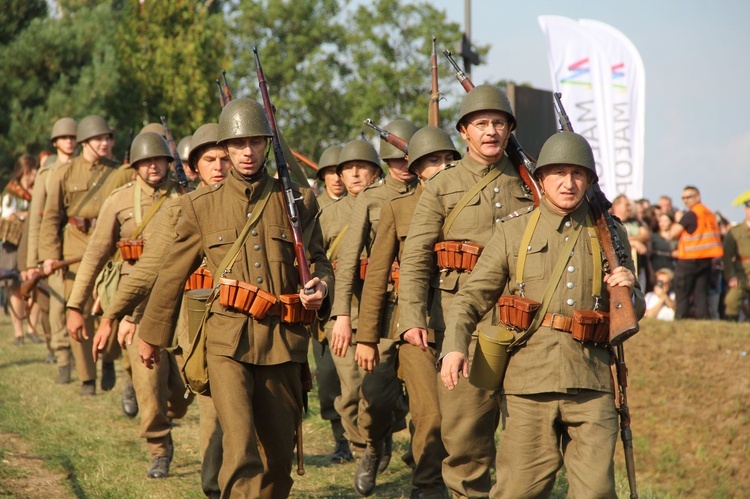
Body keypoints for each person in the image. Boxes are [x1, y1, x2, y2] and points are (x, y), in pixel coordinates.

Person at [138, 98, 333, 497]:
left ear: (266, 144)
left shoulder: (297, 200)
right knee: (242, 451)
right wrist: (150, 335)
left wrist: (322, 288)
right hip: (227, 342)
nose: (247, 152)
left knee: (278, 458)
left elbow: (318, 261)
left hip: (283, 341)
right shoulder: (199, 206)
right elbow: (172, 274)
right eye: (238, 143)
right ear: (225, 148)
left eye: (255, 142)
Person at [440, 131, 645, 497]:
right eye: (558, 173)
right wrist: (454, 346)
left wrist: (628, 287)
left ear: (590, 181)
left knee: (596, 491)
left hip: (593, 383)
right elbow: (470, 298)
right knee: (519, 490)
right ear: (541, 178)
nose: (568, 183)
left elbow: (634, 310)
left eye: (578, 174)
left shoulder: (611, 234)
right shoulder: (512, 233)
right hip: (529, 382)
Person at [397, 85, 535, 498]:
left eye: (498, 123)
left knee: (525, 438)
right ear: (464, 133)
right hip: (463, 324)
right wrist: (411, 317)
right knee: (464, 437)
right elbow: (417, 256)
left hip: (525, 322)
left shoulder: (533, 182)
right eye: (481, 124)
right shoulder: (442, 185)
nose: (490, 131)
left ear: (510, 129)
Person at [94, 122, 229, 492]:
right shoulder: (180, 209)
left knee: (196, 401)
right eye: (210, 159)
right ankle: (161, 449)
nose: (219, 167)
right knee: (159, 386)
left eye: (224, 158)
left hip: (240, 323)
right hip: (180, 316)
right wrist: (113, 314)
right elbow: (148, 274)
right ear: (194, 165)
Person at [65, 131, 191, 478]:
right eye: (146, 161)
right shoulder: (118, 201)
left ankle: (168, 412)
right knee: (148, 382)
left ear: (169, 162)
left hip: (181, 299)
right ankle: (159, 448)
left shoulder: (187, 196)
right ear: (134, 166)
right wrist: (76, 305)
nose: (154, 166)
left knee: (183, 389)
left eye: (159, 160)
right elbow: (94, 254)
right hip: (136, 302)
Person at [357, 126, 459, 498]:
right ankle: (428, 487)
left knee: (461, 417)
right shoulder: (398, 209)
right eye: (434, 161)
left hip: (465, 324)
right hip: (415, 326)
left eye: (449, 159)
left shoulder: (472, 209)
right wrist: (367, 337)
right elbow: (377, 275)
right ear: (416, 168)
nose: (443, 167)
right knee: (429, 413)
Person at [329, 119, 419, 496]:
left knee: (429, 401)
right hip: (379, 312)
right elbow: (348, 262)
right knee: (376, 397)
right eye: (394, 159)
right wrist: (343, 315)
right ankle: (371, 445)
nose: (401, 165)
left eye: (407, 158)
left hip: (424, 310)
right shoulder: (371, 198)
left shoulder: (436, 191)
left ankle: (425, 469)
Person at [38, 114, 133, 394]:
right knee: (77, 310)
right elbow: (52, 217)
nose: (104, 143)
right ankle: (86, 377)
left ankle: (108, 358)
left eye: (107, 138)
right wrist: (48, 255)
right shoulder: (63, 173)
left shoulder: (119, 172)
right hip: (75, 246)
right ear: (84, 143)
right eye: (98, 139)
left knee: (111, 305)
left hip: (110, 248)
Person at [318, 139, 384, 471]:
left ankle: (378, 441)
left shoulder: (390, 207)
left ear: (376, 171)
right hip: (341, 314)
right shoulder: (325, 215)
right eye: (347, 168)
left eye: (362, 166)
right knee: (352, 389)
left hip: (386, 313)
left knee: (384, 392)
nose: (355, 172)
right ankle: (361, 450)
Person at [26, 118, 78, 363]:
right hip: (52, 245)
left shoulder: (85, 167)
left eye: (73, 137)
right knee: (56, 305)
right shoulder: (46, 173)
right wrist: (31, 262)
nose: (69, 141)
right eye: (64, 137)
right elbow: (36, 219)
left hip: (78, 242)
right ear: (55, 142)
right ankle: (62, 356)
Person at [1, 154, 39, 345]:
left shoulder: (37, 191)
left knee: (37, 286)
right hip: (13, 245)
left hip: (33, 243)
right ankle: (19, 333)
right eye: (34, 170)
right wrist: (26, 215)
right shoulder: (12, 192)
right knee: (15, 287)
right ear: (26, 171)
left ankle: (33, 328)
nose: (36, 174)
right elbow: (8, 216)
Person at [670, 186, 723, 319]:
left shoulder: (691, 214)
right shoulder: (709, 213)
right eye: (683, 198)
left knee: (682, 291)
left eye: (688, 197)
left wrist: (678, 219)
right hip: (706, 258)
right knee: (701, 293)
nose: (685, 201)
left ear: (697, 197)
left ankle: (680, 319)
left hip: (690, 259)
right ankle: (703, 320)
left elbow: (673, 233)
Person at [722, 200, 750, 321]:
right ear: (746, 210)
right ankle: (730, 326)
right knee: (731, 301)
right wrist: (731, 276)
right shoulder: (736, 231)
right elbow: (727, 256)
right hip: (741, 272)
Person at [315, 144, 346, 209]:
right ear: (323, 174)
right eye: (331, 172)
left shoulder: (361, 204)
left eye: (340, 173)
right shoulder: (313, 207)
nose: (336, 179)